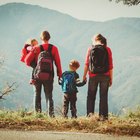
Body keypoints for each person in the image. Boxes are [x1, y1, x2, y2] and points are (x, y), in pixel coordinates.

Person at [25, 30, 62, 117]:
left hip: (37, 75)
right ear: (49, 38)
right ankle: (51, 115)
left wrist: (35, 65)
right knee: (49, 96)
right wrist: (59, 74)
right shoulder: (54, 48)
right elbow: (58, 62)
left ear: (41, 38)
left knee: (37, 94)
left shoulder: (36, 48)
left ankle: (38, 115)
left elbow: (27, 61)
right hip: (49, 76)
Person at [83, 34, 113, 120]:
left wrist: (84, 76)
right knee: (103, 97)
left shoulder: (90, 49)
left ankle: (90, 116)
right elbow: (110, 65)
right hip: (105, 75)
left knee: (91, 96)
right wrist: (111, 78)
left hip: (93, 75)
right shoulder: (107, 49)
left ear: (95, 40)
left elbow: (86, 64)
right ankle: (103, 117)